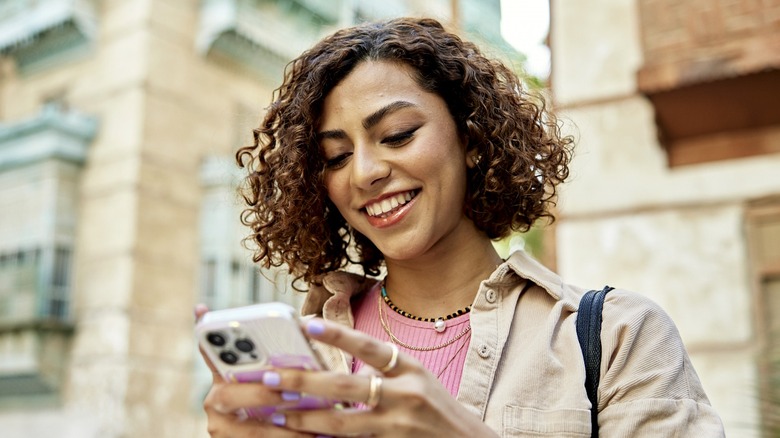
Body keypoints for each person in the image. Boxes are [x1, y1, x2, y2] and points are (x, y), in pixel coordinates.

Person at [197, 17, 725, 437]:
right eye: (335, 157)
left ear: (471, 139)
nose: (364, 172)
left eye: (398, 135)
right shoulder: (307, 351)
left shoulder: (614, 337)